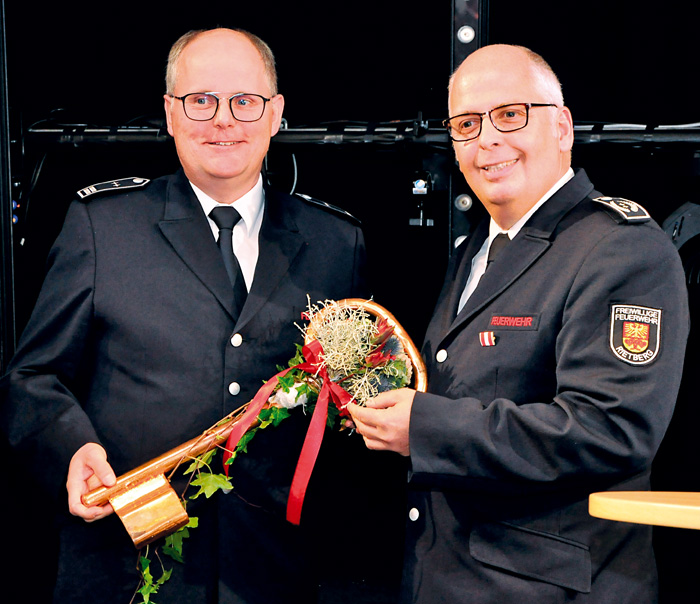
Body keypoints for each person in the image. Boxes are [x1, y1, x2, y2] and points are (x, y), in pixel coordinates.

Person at [1, 28, 369, 603]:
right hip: (126, 565)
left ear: (275, 116)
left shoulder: (335, 242)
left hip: (272, 572)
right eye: (201, 100)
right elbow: (32, 377)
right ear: (171, 114)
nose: (223, 120)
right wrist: (74, 449)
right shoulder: (103, 226)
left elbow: (346, 405)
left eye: (245, 102)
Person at [348, 44, 690, 603]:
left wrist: (427, 428)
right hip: (447, 576)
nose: (487, 139)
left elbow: (611, 431)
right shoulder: (475, 251)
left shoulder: (620, 247)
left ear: (562, 127)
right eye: (466, 124)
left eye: (510, 115)